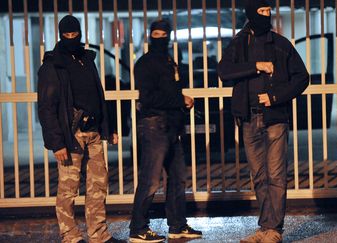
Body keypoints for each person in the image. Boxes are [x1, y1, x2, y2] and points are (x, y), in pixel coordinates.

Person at [218, 0, 309, 242]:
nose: (266, 15)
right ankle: (265, 227)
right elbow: (224, 71)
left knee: (276, 174)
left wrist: (275, 97)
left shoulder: (280, 44)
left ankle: (274, 230)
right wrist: (256, 66)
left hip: (275, 117)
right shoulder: (240, 43)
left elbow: (302, 78)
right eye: (262, 11)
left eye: (269, 11)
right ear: (251, 13)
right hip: (248, 118)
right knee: (258, 175)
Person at [37, 15, 124, 243]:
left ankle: (98, 234)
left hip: (94, 131)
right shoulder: (52, 64)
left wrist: (110, 127)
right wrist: (56, 143)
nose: (71, 38)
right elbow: (46, 108)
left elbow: (98, 95)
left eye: (75, 34)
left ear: (80, 34)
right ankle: (70, 236)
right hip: (71, 135)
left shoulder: (87, 59)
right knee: (68, 189)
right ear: (60, 35)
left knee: (98, 186)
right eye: (67, 35)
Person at [128, 19, 202, 243]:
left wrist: (180, 107)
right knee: (150, 180)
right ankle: (138, 228)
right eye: (156, 34)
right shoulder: (144, 64)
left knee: (178, 179)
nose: (160, 38)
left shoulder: (170, 62)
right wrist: (180, 99)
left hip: (172, 126)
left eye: (163, 34)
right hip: (154, 126)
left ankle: (177, 225)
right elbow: (149, 98)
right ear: (151, 36)